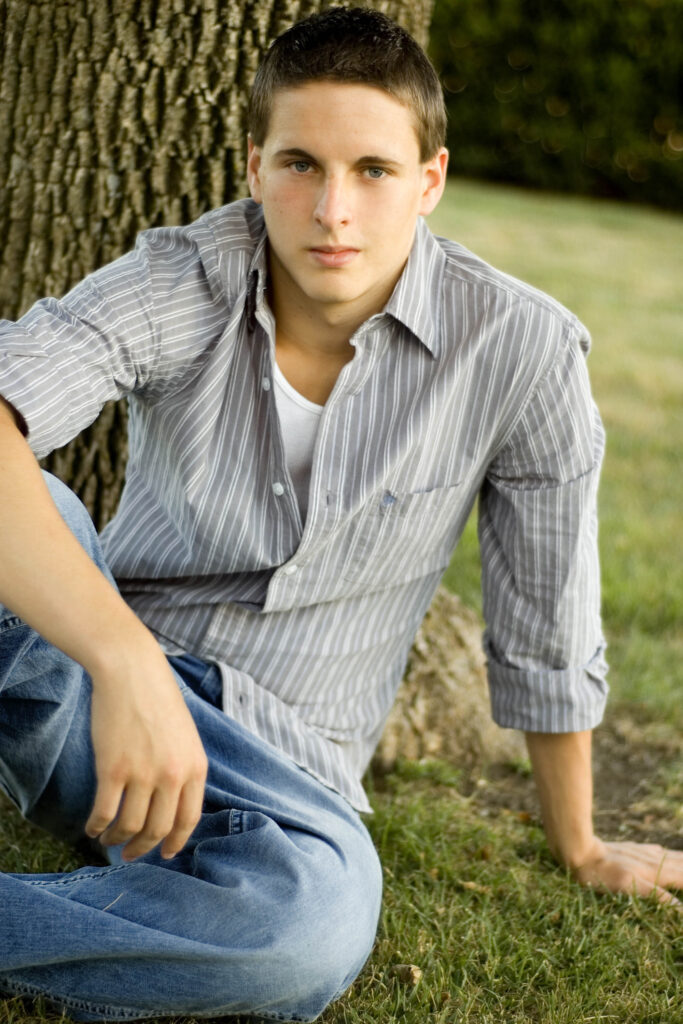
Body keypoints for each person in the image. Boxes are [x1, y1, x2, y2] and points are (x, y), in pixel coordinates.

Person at [0, 6, 680, 1021]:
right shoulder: (188, 274)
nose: (332, 210)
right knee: (34, 500)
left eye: (370, 169)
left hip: (278, 766)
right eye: (300, 165)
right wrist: (123, 660)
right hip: (85, 694)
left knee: (306, 931)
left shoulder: (523, 351)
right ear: (252, 167)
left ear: (429, 180)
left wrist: (576, 843)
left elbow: (546, 617)